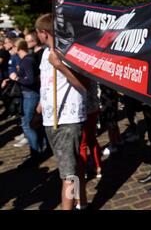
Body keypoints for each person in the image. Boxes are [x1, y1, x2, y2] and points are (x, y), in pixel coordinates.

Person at [35, 13, 88, 210]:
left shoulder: (69, 53)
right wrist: (39, 107)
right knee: (73, 167)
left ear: (43, 33)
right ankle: (81, 202)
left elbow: (84, 85)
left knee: (68, 174)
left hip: (67, 119)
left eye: (38, 32)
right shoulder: (43, 54)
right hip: (51, 119)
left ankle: (70, 207)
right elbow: (46, 86)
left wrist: (60, 66)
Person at [9, 38, 45, 167]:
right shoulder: (26, 60)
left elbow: (30, 80)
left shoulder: (27, 61)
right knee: (32, 124)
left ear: (18, 48)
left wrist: (16, 77)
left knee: (27, 125)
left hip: (30, 95)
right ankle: (39, 150)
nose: (11, 49)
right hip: (29, 94)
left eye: (13, 46)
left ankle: (35, 155)